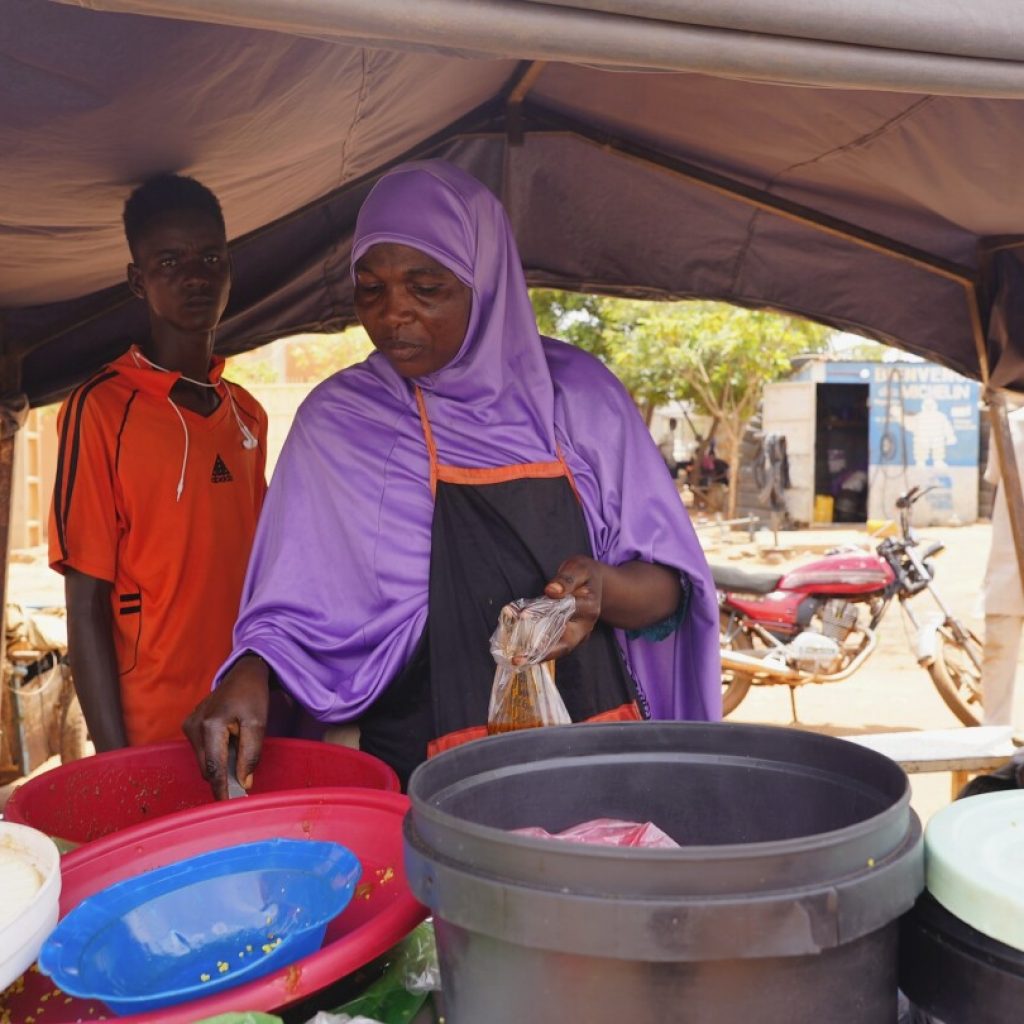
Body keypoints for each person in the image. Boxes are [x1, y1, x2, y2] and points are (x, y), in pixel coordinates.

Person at [185, 160, 720, 794]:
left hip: (590, 756)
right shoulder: (340, 423)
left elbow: (669, 594)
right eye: (370, 289)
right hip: (413, 772)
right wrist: (250, 669)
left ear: (485, 281)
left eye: (426, 287)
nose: (393, 316)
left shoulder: (578, 400)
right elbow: (293, 613)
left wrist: (603, 589)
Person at [49, 173, 268, 750]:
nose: (195, 275)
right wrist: (116, 762)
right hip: (153, 731)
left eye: (210, 257)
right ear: (136, 281)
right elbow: (85, 603)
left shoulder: (246, 413)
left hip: (244, 716)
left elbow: (263, 575)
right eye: (169, 261)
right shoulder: (99, 409)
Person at [980, 403, 1024, 730]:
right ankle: (993, 742)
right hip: (1008, 562)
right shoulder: (1009, 423)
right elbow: (997, 476)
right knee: (998, 654)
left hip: (1006, 563)